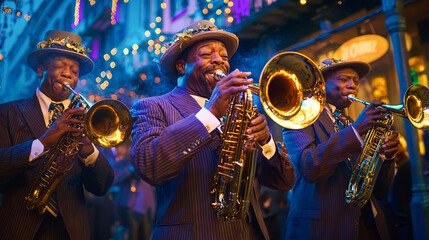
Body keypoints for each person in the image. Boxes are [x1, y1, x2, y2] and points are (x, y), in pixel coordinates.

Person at [130, 20, 295, 239]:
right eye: (207, 54)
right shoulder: (153, 106)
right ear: (181, 66)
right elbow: (149, 165)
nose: (219, 61)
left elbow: (284, 181)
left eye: (225, 57)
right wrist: (210, 114)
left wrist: (267, 142)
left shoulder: (240, 107)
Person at [0, 30, 114, 240]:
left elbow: (102, 186)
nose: (68, 73)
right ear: (40, 69)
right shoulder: (7, 112)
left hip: (71, 232)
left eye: (75, 70)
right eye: (60, 65)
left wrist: (89, 151)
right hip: (19, 229)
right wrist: (42, 143)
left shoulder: (85, 118)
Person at [282, 58, 400, 240]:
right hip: (323, 229)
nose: (353, 85)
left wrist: (387, 158)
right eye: (344, 79)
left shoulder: (350, 123)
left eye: (356, 81)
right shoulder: (299, 117)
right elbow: (310, 167)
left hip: (366, 227)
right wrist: (357, 130)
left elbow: (380, 191)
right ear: (321, 84)